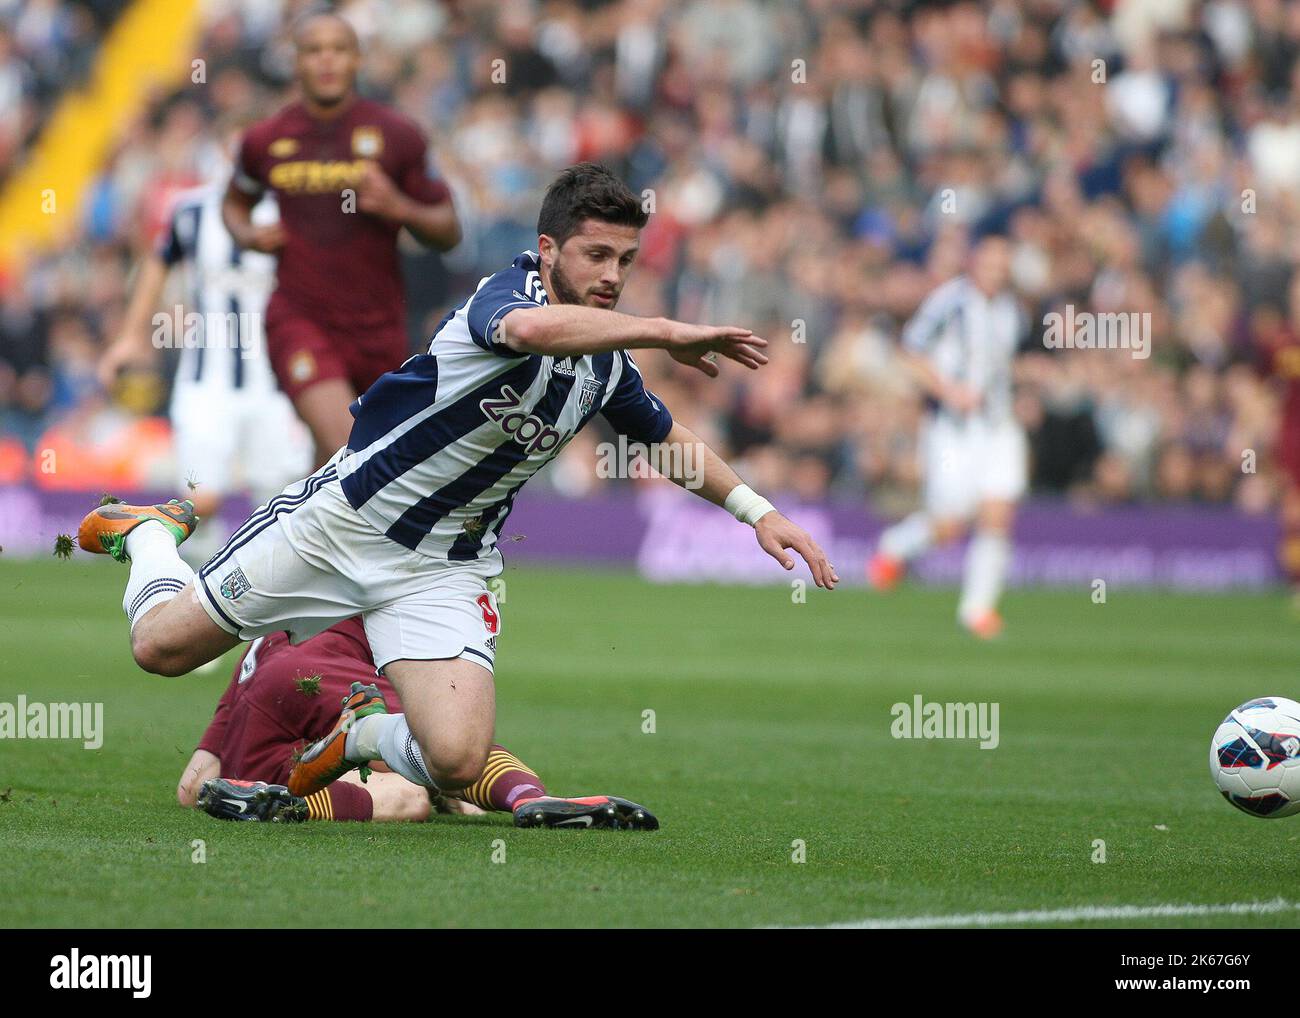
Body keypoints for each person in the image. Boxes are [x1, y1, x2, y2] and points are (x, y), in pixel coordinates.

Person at [78, 161, 837, 811]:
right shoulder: (502, 299)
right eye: (595, 255)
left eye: (625, 261)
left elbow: (665, 437)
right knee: (159, 649)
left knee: (457, 761)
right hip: (345, 521)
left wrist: (755, 509)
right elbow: (533, 335)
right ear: (547, 251)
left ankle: (358, 734)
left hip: (444, 567)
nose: (611, 276)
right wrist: (666, 330)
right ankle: (147, 533)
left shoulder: (605, 364)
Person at [222, 10, 461, 465]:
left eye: (338, 49)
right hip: (300, 318)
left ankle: (298, 536)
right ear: (296, 62)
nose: (326, 61)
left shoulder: (398, 135)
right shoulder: (266, 140)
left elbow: (448, 232)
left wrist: (398, 206)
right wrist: (249, 235)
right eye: (314, 50)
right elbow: (234, 203)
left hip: (379, 328)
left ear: (357, 60)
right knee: (351, 452)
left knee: (332, 469)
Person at [181, 616, 656, 828]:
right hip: (316, 674)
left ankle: (264, 796)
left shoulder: (287, 588)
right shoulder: (400, 598)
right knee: (423, 772)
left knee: (205, 786)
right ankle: (531, 798)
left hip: (257, 718)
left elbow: (194, 779)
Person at [99, 171, 311, 564]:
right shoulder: (193, 210)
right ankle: (197, 606)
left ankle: (268, 618)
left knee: (279, 502)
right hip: (205, 384)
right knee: (201, 502)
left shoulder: (292, 212)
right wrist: (132, 335)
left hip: (275, 385)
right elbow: (157, 263)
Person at [867, 236, 1028, 638]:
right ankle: (895, 547)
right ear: (974, 264)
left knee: (998, 513)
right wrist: (948, 391)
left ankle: (977, 610)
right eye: (990, 264)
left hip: (999, 426)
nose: (996, 273)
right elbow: (910, 351)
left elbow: (1002, 366)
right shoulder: (950, 302)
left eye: (1002, 265)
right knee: (951, 523)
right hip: (954, 429)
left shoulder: (1012, 310)